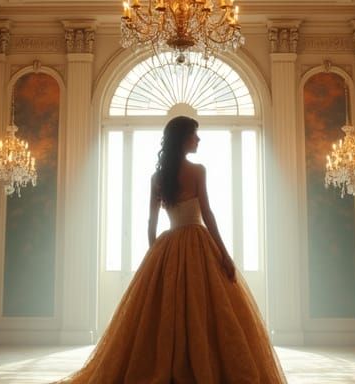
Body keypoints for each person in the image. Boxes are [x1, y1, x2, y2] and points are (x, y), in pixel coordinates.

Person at [60, 115, 286, 383]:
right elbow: (208, 214)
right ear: (183, 139)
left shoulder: (158, 177)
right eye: (195, 135)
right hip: (198, 241)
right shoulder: (198, 170)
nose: (198, 139)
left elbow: (151, 221)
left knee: (166, 310)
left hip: (168, 242)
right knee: (208, 312)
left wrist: (154, 255)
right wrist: (223, 254)